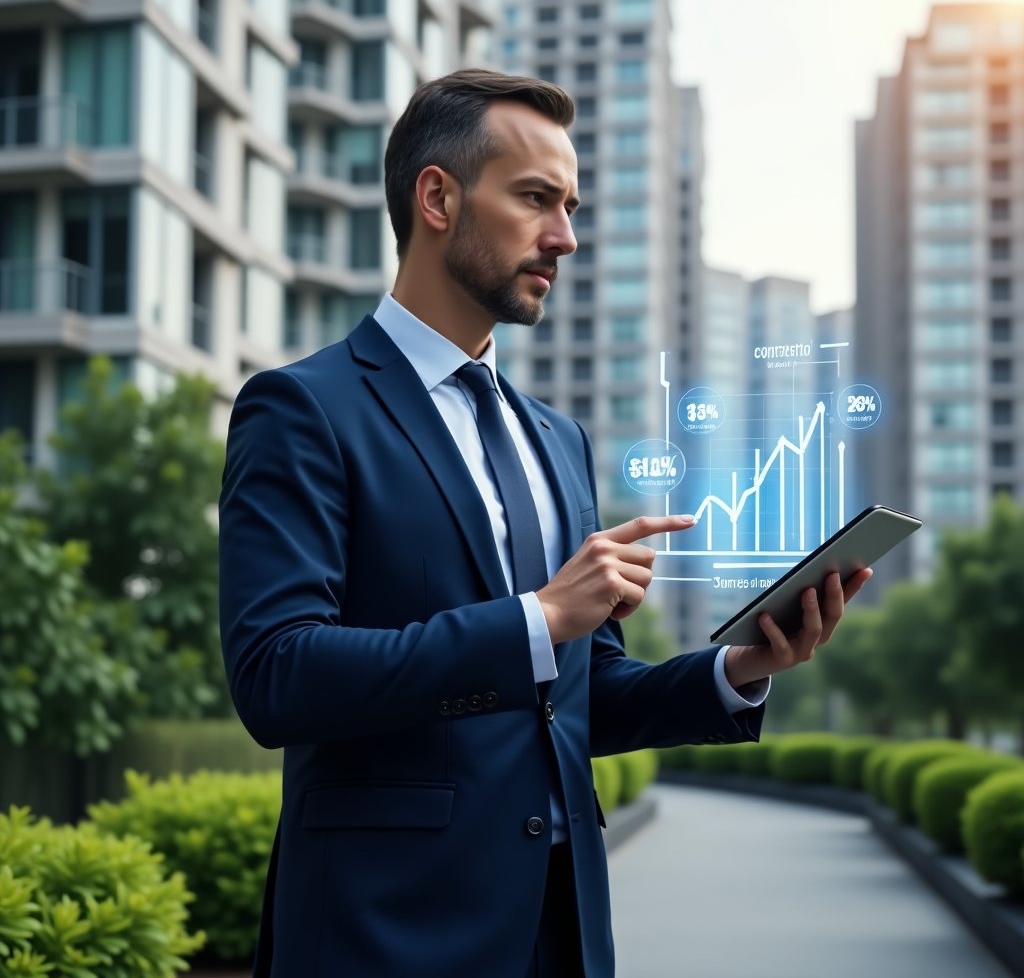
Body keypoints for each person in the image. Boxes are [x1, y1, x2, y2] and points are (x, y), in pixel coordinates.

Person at [218, 68, 871, 978]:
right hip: (383, 936)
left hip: (560, 933)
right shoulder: (302, 409)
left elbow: (570, 697)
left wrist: (738, 669)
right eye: (535, 199)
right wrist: (539, 617)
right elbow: (275, 675)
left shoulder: (556, 441)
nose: (565, 237)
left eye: (569, 205)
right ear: (437, 196)